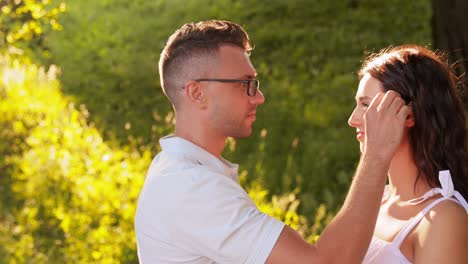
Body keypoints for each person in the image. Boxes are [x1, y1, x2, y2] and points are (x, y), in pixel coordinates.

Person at [135, 20, 410, 263]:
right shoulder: (193, 188)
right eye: (245, 83)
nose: (259, 97)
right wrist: (376, 155)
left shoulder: (179, 171)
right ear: (197, 93)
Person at [348, 45, 468, 264]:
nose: (353, 120)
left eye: (366, 105)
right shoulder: (377, 199)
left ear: (409, 115)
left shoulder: (444, 220)